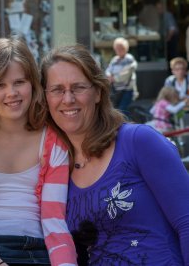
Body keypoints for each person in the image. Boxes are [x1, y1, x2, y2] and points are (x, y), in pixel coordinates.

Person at [40, 44, 189, 265]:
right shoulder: (56, 168)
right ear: (45, 98)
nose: (68, 99)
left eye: (78, 87)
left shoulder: (138, 141)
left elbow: (186, 221)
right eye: (57, 89)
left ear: (98, 92)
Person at [0, 38, 77, 266]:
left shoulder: (53, 144)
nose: (11, 93)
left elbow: (55, 222)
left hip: (36, 250)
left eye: (19, 82)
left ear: (33, 84)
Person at [105, 37, 138, 118]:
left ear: (126, 48)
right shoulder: (115, 59)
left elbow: (126, 73)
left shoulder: (129, 59)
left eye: (121, 48)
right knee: (116, 111)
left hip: (127, 90)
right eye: (117, 48)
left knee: (123, 111)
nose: (119, 50)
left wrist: (114, 78)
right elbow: (108, 69)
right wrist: (108, 75)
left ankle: (126, 128)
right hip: (116, 90)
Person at [156, 1, 179, 65]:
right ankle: (171, 67)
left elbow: (172, 29)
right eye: (157, 8)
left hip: (172, 36)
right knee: (168, 53)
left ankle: (175, 67)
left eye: (160, 8)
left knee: (172, 53)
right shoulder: (160, 16)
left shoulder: (168, 15)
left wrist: (168, 38)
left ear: (163, 8)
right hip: (167, 36)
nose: (158, 10)